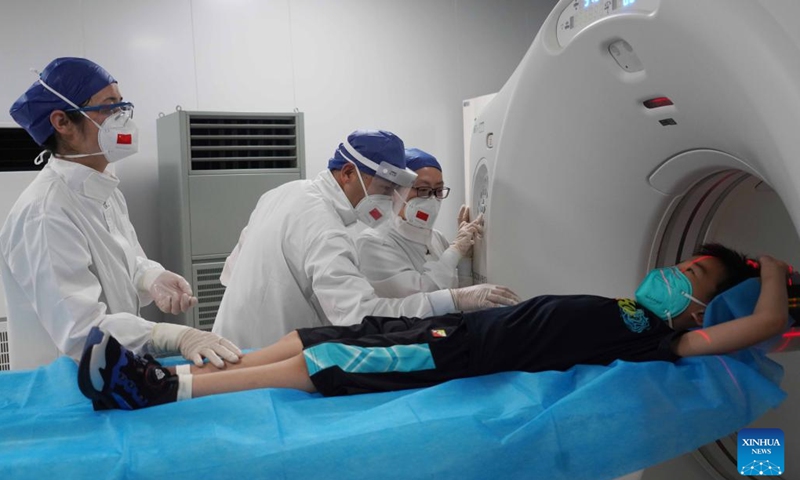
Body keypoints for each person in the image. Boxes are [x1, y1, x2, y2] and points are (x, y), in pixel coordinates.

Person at [77, 243, 790, 411]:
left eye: (695, 274)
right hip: (452, 331)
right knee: (312, 341)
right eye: (686, 260)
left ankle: (160, 390)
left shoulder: (663, 335)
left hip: (459, 354)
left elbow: (757, 324)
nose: (678, 271)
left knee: (327, 366)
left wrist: (775, 272)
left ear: (700, 307)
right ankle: (170, 373)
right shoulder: (631, 307)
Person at [0, 57, 241, 370]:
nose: (122, 118)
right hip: (64, 390)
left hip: (111, 372)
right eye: (109, 106)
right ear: (62, 123)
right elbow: (81, 331)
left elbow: (125, 259)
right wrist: (170, 335)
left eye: (123, 105)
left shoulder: (106, 189)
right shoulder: (45, 213)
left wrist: (151, 277)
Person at [212, 130, 520, 349]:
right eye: (385, 190)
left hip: (228, 340)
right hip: (265, 354)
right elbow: (359, 316)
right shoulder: (326, 227)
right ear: (348, 173)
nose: (389, 201)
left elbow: (230, 272)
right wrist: (454, 299)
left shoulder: (283, 193)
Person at [356, 148, 478, 297]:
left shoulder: (437, 238)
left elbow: (460, 297)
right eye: (423, 189)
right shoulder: (373, 242)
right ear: (395, 191)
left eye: (438, 190)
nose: (432, 199)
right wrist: (454, 252)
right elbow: (419, 299)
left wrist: (464, 258)